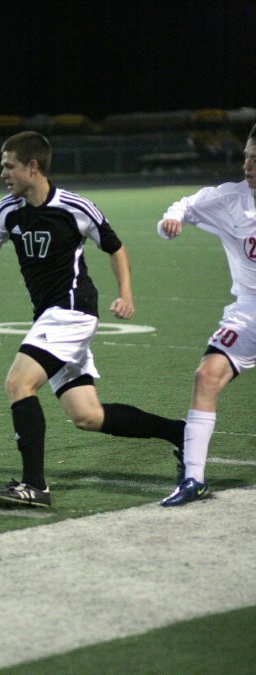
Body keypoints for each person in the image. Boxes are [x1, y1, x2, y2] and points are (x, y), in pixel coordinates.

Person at [0, 131, 184, 508]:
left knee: (18, 383)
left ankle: (35, 486)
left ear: (32, 167)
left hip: (72, 310)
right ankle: (181, 433)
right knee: (87, 415)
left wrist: (126, 294)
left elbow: (114, 247)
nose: (3, 173)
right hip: (49, 316)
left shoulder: (74, 206)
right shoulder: (7, 209)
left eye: (8, 165)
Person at [157, 123, 256, 507]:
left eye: (255, 160)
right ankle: (194, 479)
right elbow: (185, 205)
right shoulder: (231, 200)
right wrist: (172, 222)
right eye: (247, 156)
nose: (247, 166)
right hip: (248, 310)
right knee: (206, 375)